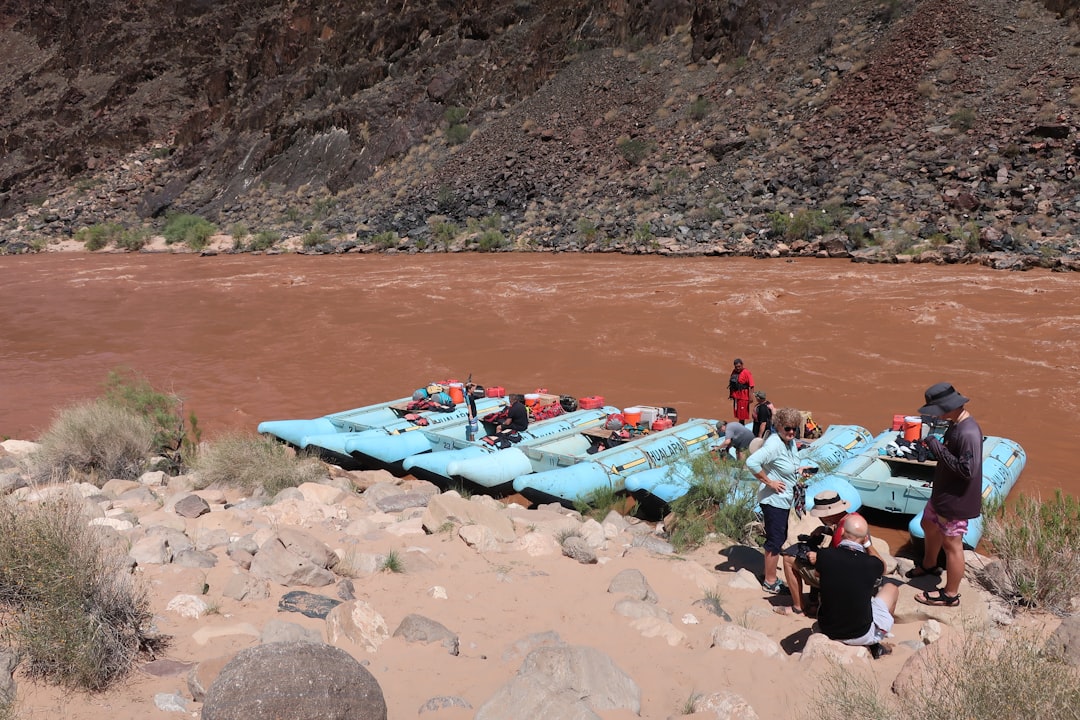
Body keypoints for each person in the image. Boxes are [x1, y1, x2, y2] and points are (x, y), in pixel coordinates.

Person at [909, 383, 982, 607]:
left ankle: (950, 595)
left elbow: (967, 471)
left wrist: (936, 447)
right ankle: (930, 564)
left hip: (956, 500)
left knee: (952, 544)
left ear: (948, 407)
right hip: (943, 494)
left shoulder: (968, 432)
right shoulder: (955, 424)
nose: (935, 415)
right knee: (927, 523)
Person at [809, 514, 898, 659]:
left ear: (842, 532)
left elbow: (818, 574)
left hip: (828, 628)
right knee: (892, 589)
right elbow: (883, 567)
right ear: (864, 538)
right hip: (860, 634)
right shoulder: (871, 564)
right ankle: (875, 645)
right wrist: (868, 544)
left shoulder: (824, 555)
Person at [746, 406, 808, 594]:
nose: (791, 432)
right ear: (778, 426)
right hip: (773, 500)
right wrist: (769, 482)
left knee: (779, 536)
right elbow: (751, 462)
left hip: (784, 499)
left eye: (795, 428)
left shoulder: (789, 442)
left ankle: (769, 574)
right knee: (775, 540)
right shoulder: (774, 444)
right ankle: (770, 582)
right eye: (787, 428)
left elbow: (786, 465)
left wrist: (799, 471)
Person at [775, 491, 864, 616]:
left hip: (838, 579)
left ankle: (798, 608)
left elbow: (844, 561)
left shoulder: (842, 530)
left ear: (828, 515)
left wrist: (820, 558)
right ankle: (814, 603)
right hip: (853, 576)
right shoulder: (853, 521)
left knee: (788, 559)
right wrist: (824, 529)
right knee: (818, 553)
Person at [727, 358, 755, 424]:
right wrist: (731, 394)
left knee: (742, 416)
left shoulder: (746, 372)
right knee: (738, 414)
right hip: (736, 397)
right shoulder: (734, 371)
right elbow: (731, 384)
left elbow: (751, 386)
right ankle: (740, 425)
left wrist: (751, 397)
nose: (738, 368)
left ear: (742, 365)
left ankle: (742, 427)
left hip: (743, 397)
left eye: (739, 366)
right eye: (736, 367)